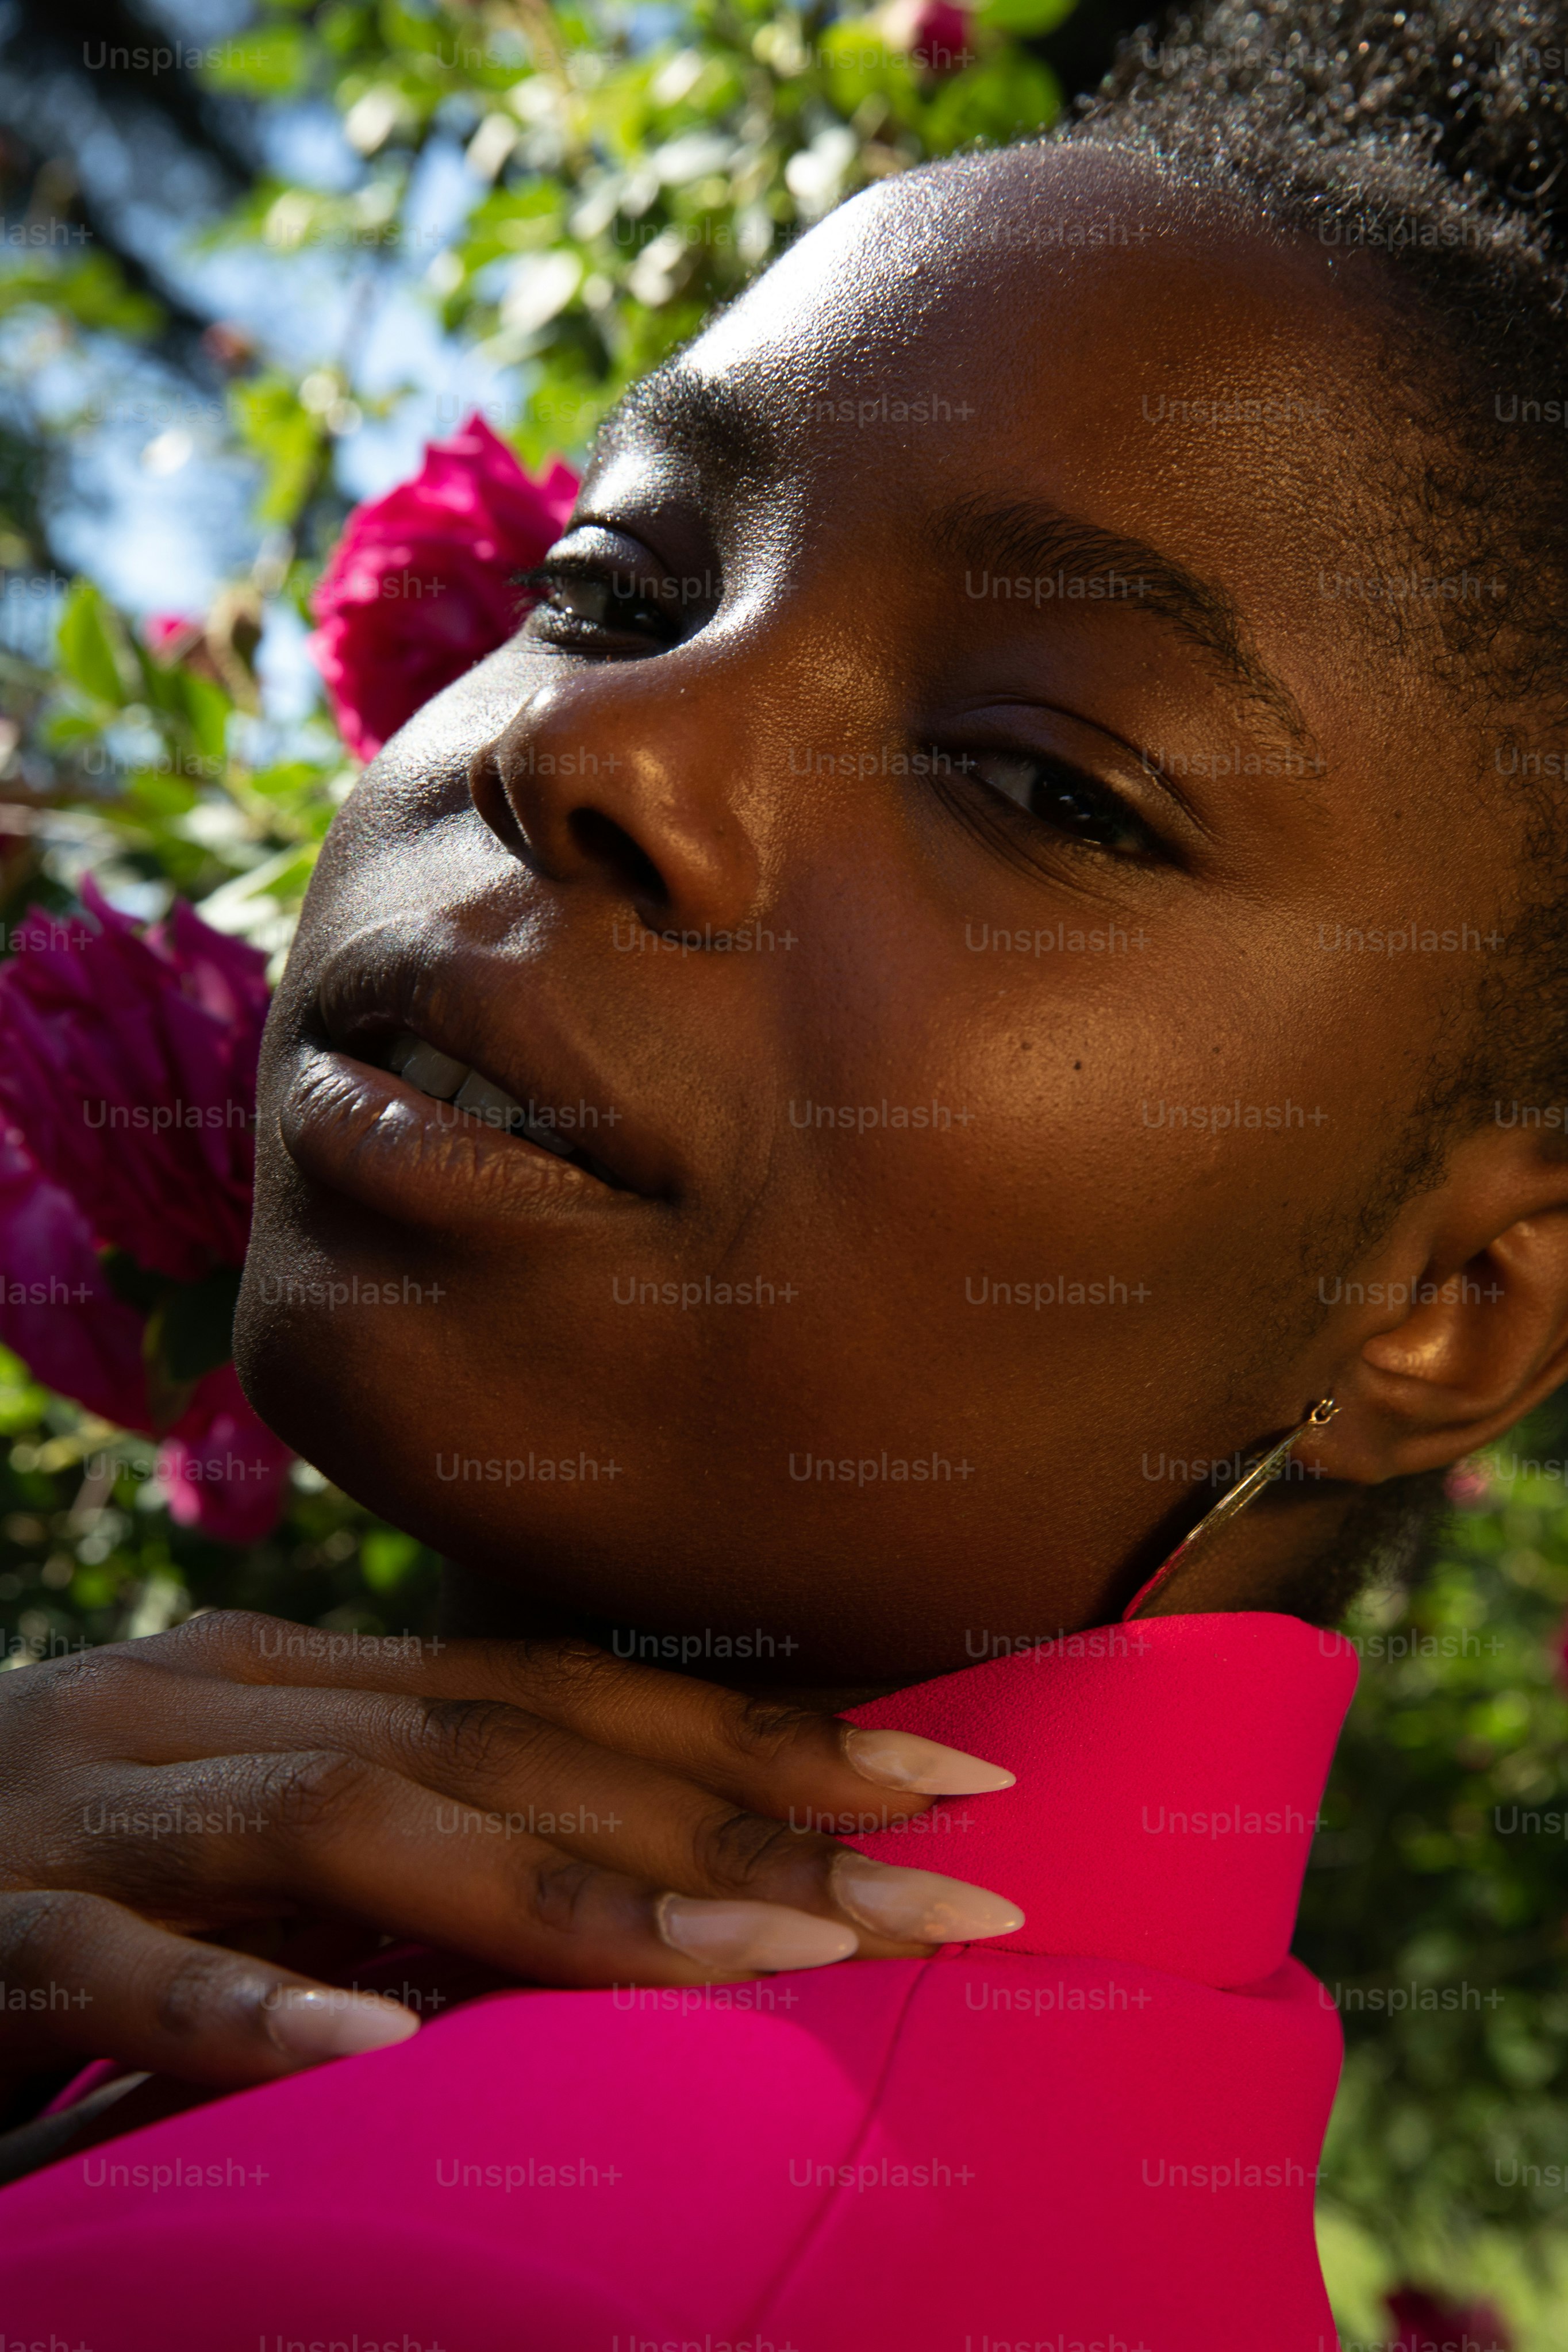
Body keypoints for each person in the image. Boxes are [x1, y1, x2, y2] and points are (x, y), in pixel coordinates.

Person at [1, 0, 1566, 2341]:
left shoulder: (456, 2263)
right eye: (613, 590)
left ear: (1443, 1310)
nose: (600, 747)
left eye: (1043, 781)